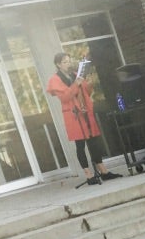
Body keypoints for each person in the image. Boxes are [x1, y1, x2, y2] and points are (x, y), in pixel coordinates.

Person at [46, 52, 120, 185]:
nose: (68, 64)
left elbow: (87, 92)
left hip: (85, 112)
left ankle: (103, 171)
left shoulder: (75, 74)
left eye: (69, 61)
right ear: (58, 64)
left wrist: (89, 84)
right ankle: (89, 175)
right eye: (65, 62)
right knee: (80, 145)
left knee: (94, 142)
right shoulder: (55, 80)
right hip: (73, 115)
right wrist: (76, 84)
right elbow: (65, 97)